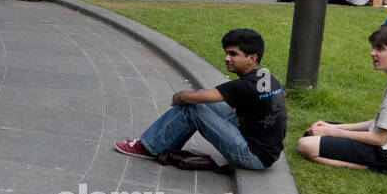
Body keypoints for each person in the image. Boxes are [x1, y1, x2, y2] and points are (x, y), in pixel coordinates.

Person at [115, 28, 285, 170]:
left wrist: (179, 96)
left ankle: (148, 147)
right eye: (226, 53)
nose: (226, 58)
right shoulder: (265, 76)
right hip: (263, 146)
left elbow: (189, 98)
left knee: (192, 106)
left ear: (252, 58)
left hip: (253, 156)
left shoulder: (244, 86)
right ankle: (163, 143)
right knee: (202, 102)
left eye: (233, 54)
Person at [298, 27, 387, 175]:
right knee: (311, 132)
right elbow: (380, 123)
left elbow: (378, 138)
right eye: (374, 48)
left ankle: (384, 169)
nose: (372, 53)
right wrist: (333, 128)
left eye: (380, 49)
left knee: (305, 145)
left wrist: (330, 131)